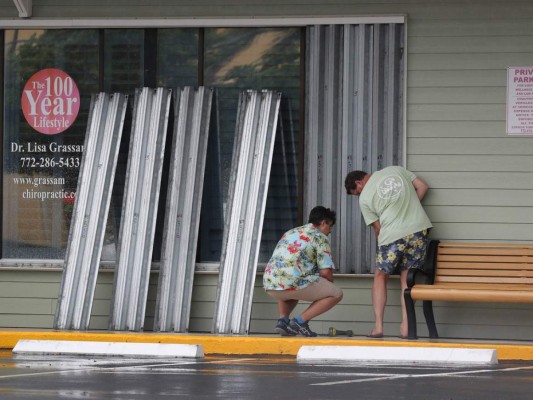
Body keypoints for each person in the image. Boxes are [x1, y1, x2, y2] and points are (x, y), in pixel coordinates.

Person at [344, 166, 432, 339]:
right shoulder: (397, 170)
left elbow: (378, 228)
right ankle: (406, 327)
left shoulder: (364, 199)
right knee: (407, 279)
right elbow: (423, 186)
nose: (358, 196)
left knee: (380, 276)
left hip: (392, 235)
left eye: (356, 193)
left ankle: (378, 327)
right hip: (418, 229)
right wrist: (409, 208)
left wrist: (383, 246)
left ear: (358, 182)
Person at [263, 206, 343, 337]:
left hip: (270, 284)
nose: (330, 231)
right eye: (330, 226)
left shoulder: (290, 232)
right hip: (292, 283)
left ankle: (283, 321)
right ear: (323, 222)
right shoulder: (320, 237)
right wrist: (328, 285)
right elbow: (326, 273)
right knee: (336, 294)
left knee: (291, 285)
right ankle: (300, 322)